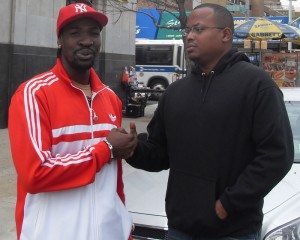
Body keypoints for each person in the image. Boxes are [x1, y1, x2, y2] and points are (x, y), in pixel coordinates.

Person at [124, 3, 294, 240]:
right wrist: (133, 149)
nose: (190, 36)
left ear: (225, 34)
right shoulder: (175, 92)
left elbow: (277, 155)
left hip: (233, 231)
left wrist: (228, 203)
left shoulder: (257, 85)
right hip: (179, 228)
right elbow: (160, 154)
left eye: (199, 29)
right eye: (188, 30)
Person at [8, 3, 136, 240]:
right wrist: (105, 149)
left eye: (93, 33)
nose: (86, 40)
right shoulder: (33, 94)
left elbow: (113, 179)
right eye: (75, 33)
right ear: (60, 40)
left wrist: (122, 226)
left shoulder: (110, 99)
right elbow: (35, 174)